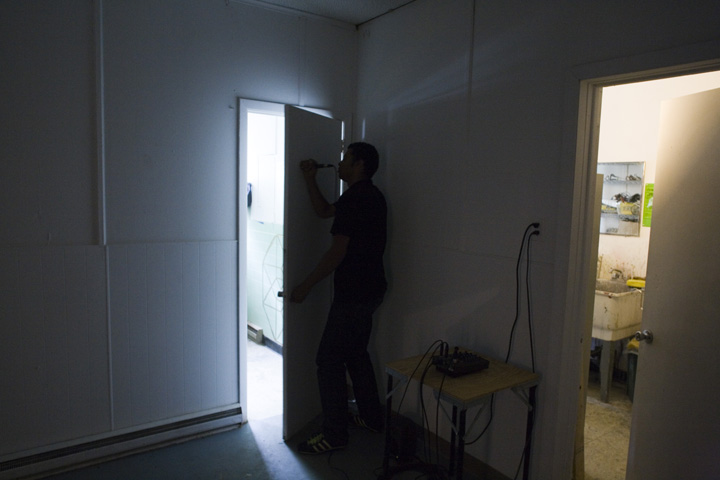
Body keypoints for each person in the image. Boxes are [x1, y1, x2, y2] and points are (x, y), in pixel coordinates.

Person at [291, 142, 387, 455]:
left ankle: (334, 434)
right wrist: (310, 179)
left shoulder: (356, 199)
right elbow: (324, 212)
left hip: (353, 294)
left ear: (359, 165)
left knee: (328, 360)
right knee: (356, 354)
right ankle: (372, 418)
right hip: (372, 291)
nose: (340, 163)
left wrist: (306, 286)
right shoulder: (369, 195)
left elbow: (337, 252)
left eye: (346, 159)